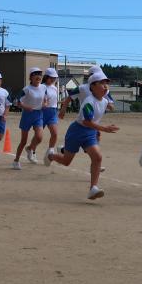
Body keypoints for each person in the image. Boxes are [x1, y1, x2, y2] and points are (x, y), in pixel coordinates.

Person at [44, 72, 119, 200]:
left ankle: (93, 188)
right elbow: (86, 122)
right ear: (92, 86)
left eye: (106, 83)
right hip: (76, 132)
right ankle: (51, 156)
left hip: (90, 133)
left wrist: (110, 107)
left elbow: (101, 113)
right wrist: (104, 129)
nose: (105, 86)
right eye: (102, 83)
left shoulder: (105, 101)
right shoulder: (89, 102)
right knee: (66, 162)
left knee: (97, 157)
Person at [12, 67, 46, 170]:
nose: (38, 77)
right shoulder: (26, 89)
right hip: (27, 115)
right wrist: (25, 107)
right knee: (23, 141)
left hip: (38, 114)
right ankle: (16, 160)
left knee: (39, 137)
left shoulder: (43, 87)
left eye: (40, 75)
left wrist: (45, 103)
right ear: (30, 77)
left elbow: (45, 98)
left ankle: (30, 148)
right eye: (36, 75)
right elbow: (16, 102)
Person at [41, 68, 60, 156]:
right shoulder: (41, 87)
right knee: (38, 136)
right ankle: (31, 149)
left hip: (52, 113)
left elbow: (54, 101)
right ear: (46, 77)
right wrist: (43, 104)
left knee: (55, 133)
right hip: (42, 112)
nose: (53, 79)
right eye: (51, 77)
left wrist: (61, 103)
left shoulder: (55, 88)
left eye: (54, 78)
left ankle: (50, 150)